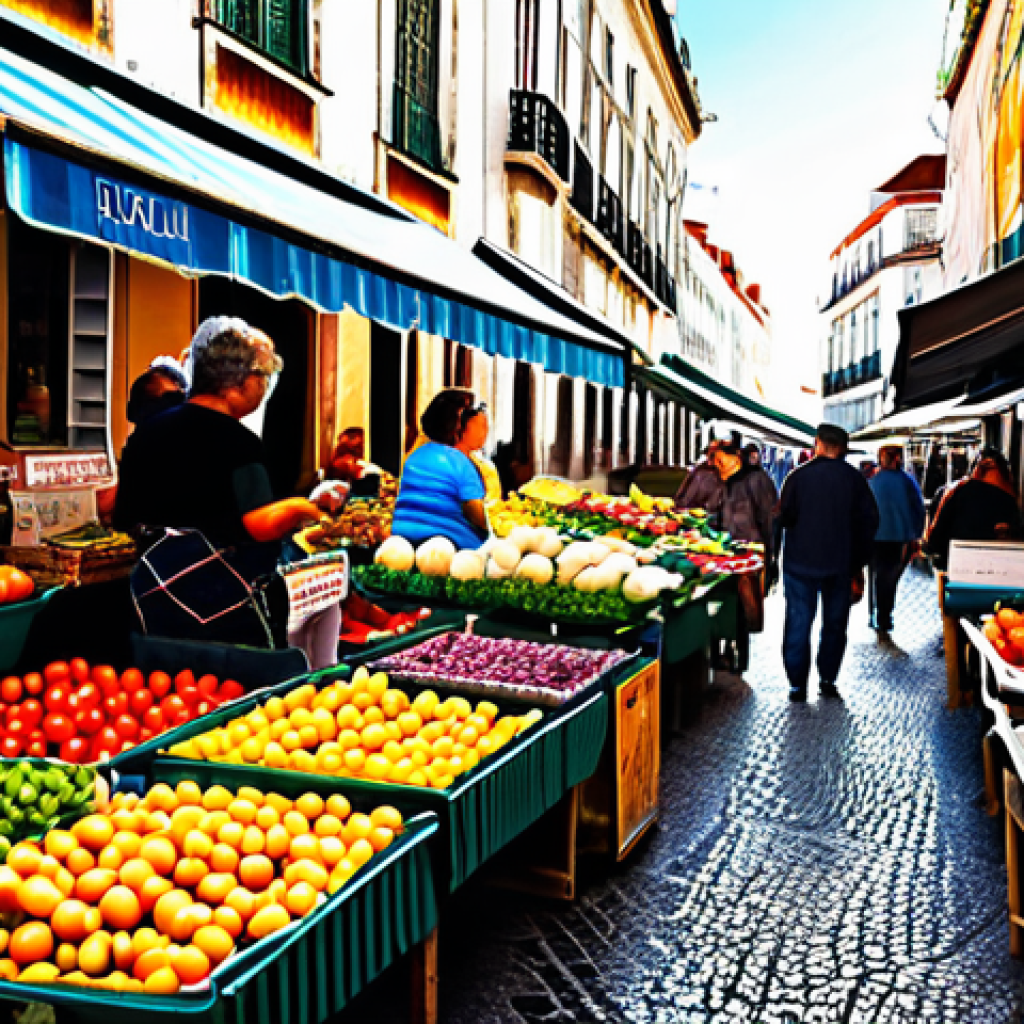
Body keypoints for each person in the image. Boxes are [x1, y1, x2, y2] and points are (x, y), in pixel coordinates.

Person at [114, 317, 344, 668]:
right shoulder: (239, 442)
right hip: (219, 608)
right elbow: (257, 525)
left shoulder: (146, 434)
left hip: (150, 600)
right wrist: (304, 508)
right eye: (263, 378)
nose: (264, 388)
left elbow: (123, 516)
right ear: (242, 381)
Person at [778, 423, 879, 701]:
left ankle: (797, 684)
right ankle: (827, 679)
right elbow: (870, 523)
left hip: (800, 564)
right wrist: (858, 564)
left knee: (798, 622)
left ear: (818, 444)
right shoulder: (855, 480)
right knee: (835, 624)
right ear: (843, 448)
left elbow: (783, 517)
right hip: (840, 565)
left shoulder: (797, 477)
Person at [675, 440, 777, 670]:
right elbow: (683, 507)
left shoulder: (756, 480)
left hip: (745, 555)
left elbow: (769, 519)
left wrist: (770, 556)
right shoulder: (703, 475)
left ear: (736, 456)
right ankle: (711, 650)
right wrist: (693, 523)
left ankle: (737, 651)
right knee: (709, 599)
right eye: (714, 460)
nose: (717, 465)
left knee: (741, 606)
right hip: (708, 553)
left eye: (721, 459)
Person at [392, 389, 490, 550]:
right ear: (459, 427)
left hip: (403, 535)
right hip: (452, 541)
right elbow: (476, 514)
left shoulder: (415, 457)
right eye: (478, 423)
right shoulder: (460, 463)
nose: (484, 431)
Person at [925, 447, 1022, 569]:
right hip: (998, 570)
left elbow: (932, 544)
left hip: (954, 568)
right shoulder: (1009, 501)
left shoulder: (949, 492)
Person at [867, 443, 925, 637]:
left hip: (874, 536)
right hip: (898, 537)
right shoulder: (907, 482)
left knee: (876, 574)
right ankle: (884, 615)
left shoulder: (872, 480)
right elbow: (918, 510)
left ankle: (874, 611)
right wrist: (916, 535)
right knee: (889, 577)